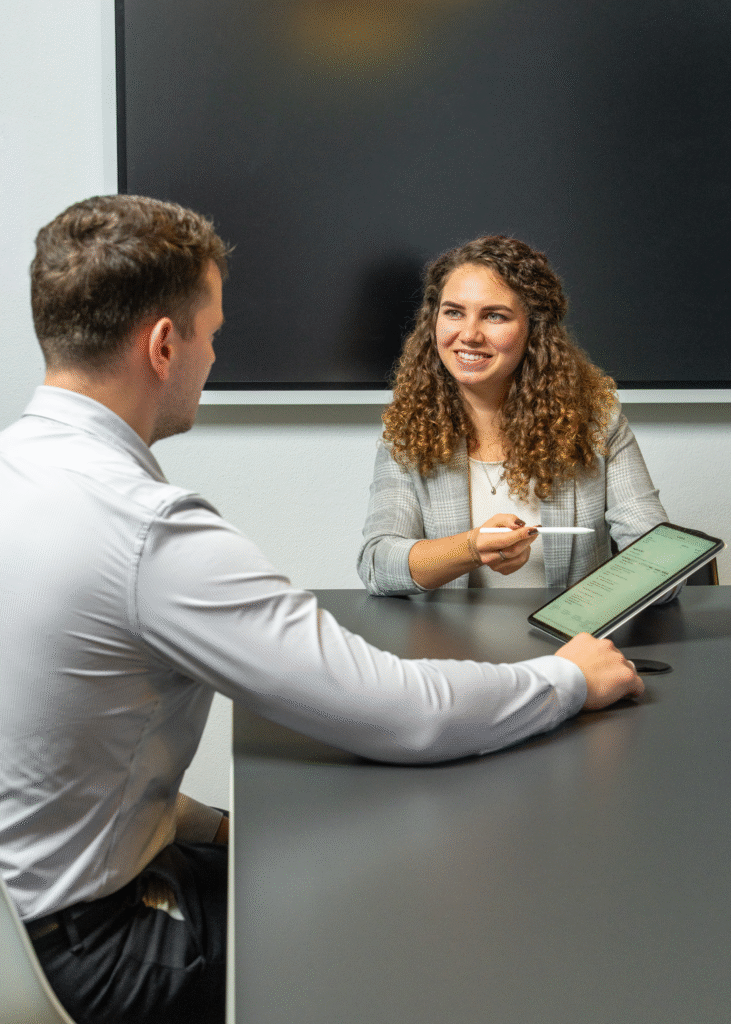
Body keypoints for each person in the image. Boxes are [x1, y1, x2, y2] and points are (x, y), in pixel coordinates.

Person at [0, 197, 644, 1024]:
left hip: (31, 911)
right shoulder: (150, 532)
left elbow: (58, 749)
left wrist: (209, 825)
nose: (214, 355)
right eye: (211, 333)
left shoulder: (20, 468)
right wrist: (563, 678)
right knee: (428, 918)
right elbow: (396, 711)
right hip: (97, 949)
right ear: (164, 345)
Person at [358, 235, 671, 596]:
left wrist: (655, 572)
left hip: (567, 648)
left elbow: (659, 563)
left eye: (494, 316)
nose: (469, 334)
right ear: (434, 320)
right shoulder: (407, 429)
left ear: (534, 329)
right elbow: (376, 566)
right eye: (454, 312)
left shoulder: (597, 421)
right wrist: (472, 548)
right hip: (448, 649)